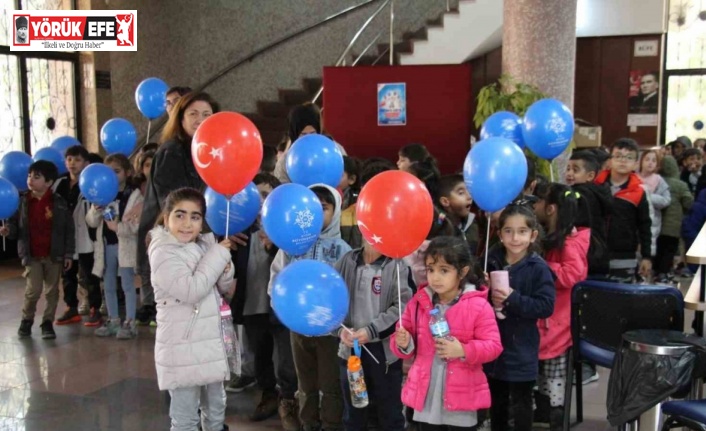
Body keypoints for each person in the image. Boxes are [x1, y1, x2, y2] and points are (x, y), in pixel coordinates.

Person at [392, 236, 503, 431]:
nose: (435, 277)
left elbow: (493, 346)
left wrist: (463, 350)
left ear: (463, 272)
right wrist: (403, 342)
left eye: (444, 270)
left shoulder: (478, 305)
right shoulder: (418, 302)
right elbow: (402, 344)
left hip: (460, 402)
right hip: (425, 398)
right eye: (430, 269)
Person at [148, 187, 234, 431]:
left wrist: (227, 269)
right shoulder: (162, 252)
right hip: (182, 348)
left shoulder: (204, 245)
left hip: (210, 342)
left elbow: (223, 288)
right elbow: (192, 290)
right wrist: (218, 256)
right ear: (166, 218)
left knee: (216, 411)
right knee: (185, 418)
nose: (187, 224)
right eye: (180, 215)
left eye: (195, 217)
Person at [268, 184, 352, 431]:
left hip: (331, 333)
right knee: (305, 384)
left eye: (323, 208)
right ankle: (308, 424)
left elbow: (348, 290)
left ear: (335, 212)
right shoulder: (291, 246)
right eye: (311, 209)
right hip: (298, 330)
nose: (316, 215)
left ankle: (331, 425)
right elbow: (276, 281)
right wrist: (284, 309)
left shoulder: (343, 250)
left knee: (331, 384)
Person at [137, 91, 219, 327]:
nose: (200, 119)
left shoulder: (208, 150)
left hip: (199, 240)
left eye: (206, 114)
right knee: (183, 315)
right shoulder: (172, 151)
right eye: (193, 113)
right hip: (177, 242)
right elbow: (178, 206)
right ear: (180, 118)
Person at [227, 173, 300, 430]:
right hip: (251, 303)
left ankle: (289, 399)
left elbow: (290, 265)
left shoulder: (285, 230)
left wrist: (276, 246)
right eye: (255, 196)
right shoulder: (240, 229)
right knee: (260, 354)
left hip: (279, 306)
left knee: (286, 359)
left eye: (267, 195)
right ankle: (268, 394)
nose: (260, 201)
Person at [485, 203, 555, 431]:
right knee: (497, 401)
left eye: (522, 231)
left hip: (522, 347)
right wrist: (484, 292)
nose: (515, 238)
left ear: (533, 235)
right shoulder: (491, 258)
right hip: (493, 344)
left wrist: (513, 298)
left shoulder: (538, 268)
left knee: (522, 402)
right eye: (508, 231)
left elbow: (545, 306)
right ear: (499, 233)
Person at [334, 232, 415, 431]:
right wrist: (339, 330)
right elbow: (331, 298)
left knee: (389, 413)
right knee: (354, 412)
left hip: (383, 355)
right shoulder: (348, 259)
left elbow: (402, 308)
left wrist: (371, 331)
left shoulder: (398, 265)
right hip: (350, 353)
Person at [533, 183, 589, 430]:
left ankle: (555, 416)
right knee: (541, 372)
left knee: (554, 372)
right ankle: (542, 412)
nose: (535, 206)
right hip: (546, 319)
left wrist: (542, 268)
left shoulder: (568, 243)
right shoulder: (552, 239)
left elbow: (573, 275)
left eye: (539, 201)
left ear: (551, 208)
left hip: (557, 322)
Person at [0, 161, 74, 339]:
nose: (30, 180)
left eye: (36, 177)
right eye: (29, 176)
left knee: (52, 291)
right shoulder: (22, 202)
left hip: (53, 255)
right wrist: (8, 230)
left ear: (48, 182)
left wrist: (69, 253)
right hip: (31, 255)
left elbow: (68, 230)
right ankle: (27, 319)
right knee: (33, 290)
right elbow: (15, 228)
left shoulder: (59, 203)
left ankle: (47, 322)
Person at [86, 154, 143, 339]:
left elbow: (136, 226)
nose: (111, 176)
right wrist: (96, 209)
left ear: (127, 173)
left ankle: (130, 321)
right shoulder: (102, 193)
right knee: (108, 284)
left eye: (116, 171)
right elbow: (92, 222)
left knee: (127, 284)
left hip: (125, 245)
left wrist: (118, 227)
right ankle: (113, 319)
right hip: (106, 246)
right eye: (108, 171)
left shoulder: (134, 196)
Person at [53, 145, 103, 326]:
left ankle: (95, 308)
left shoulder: (91, 183)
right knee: (68, 274)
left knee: (89, 274)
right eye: (69, 159)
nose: (72, 163)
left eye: (77, 160)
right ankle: (71, 307)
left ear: (87, 163)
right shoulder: (59, 183)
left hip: (84, 236)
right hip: (65, 237)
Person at [594, 138, 652, 283]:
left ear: (636, 163)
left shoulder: (638, 192)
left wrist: (646, 256)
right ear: (610, 160)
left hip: (625, 256)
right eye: (618, 156)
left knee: (621, 299)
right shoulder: (595, 186)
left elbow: (645, 226)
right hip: (594, 254)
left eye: (629, 157)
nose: (623, 161)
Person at [656, 156, 693, 282]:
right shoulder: (681, 185)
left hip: (657, 223)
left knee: (659, 248)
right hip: (673, 225)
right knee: (670, 250)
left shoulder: (657, 181)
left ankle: (656, 271)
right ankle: (664, 273)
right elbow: (688, 202)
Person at [638, 149, 671, 257]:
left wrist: (647, 196)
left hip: (652, 220)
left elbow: (666, 200)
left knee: (647, 249)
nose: (650, 163)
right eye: (647, 159)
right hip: (633, 218)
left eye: (654, 160)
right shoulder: (633, 178)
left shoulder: (659, 180)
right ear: (641, 161)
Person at [437, 174, 476, 253]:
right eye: (461, 193)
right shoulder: (439, 227)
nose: (469, 196)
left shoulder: (473, 224)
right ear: (445, 201)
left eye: (469, 191)